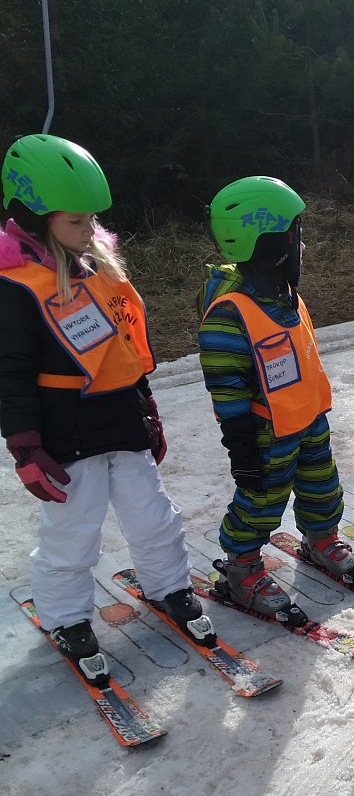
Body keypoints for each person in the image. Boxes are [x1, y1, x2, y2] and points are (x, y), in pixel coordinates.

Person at [0, 133, 214, 684]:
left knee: (153, 514)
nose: (88, 230)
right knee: (74, 530)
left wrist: (148, 408)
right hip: (66, 430)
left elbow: (123, 350)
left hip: (121, 418)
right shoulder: (17, 287)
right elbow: (11, 373)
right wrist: (25, 446)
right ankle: (66, 617)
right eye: (76, 221)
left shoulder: (98, 268)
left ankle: (169, 586)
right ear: (34, 217)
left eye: (92, 219)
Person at [199, 175, 354, 623]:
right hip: (266, 433)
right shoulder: (229, 315)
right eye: (295, 234)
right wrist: (242, 448)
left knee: (321, 484)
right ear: (270, 244)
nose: (301, 244)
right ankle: (242, 566)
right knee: (261, 501)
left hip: (309, 419)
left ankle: (321, 537)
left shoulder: (284, 295)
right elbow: (226, 389)